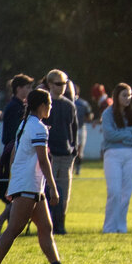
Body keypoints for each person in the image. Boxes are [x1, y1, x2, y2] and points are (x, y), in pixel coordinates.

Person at [0, 89, 81, 264]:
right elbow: (43, 160)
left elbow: (14, 154)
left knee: (46, 227)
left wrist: (14, 180)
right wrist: (53, 187)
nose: (51, 108)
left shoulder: (25, 124)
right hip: (29, 184)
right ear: (42, 106)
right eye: (50, 105)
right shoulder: (38, 127)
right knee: (14, 229)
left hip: (30, 184)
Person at [41, 70, 83, 234]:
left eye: (64, 83)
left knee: (64, 193)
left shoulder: (69, 105)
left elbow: (74, 129)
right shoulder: (45, 104)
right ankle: (47, 225)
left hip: (66, 155)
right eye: (59, 84)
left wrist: (74, 150)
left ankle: (60, 225)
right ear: (50, 84)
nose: (62, 87)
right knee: (47, 192)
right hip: (49, 155)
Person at [99, 83, 132, 232]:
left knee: (126, 192)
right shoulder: (107, 114)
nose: (128, 98)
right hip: (112, 154)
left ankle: (121, 226)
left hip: (130, 155)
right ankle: (109, 227)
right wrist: (127, 135)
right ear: (117, 96)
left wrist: (122, 137)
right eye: (124, 95)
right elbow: (109, 135)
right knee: (114, 191)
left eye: (130, 95)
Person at [0, 73, 34, 224]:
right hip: (14, 153)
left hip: (19, 152)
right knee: (19, 191)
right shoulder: (14, 107)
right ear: (18, 88)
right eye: (28, 87)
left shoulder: (21, 106)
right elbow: (11, 134)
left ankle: (4, 220)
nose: (30, 90)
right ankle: (2, 220)